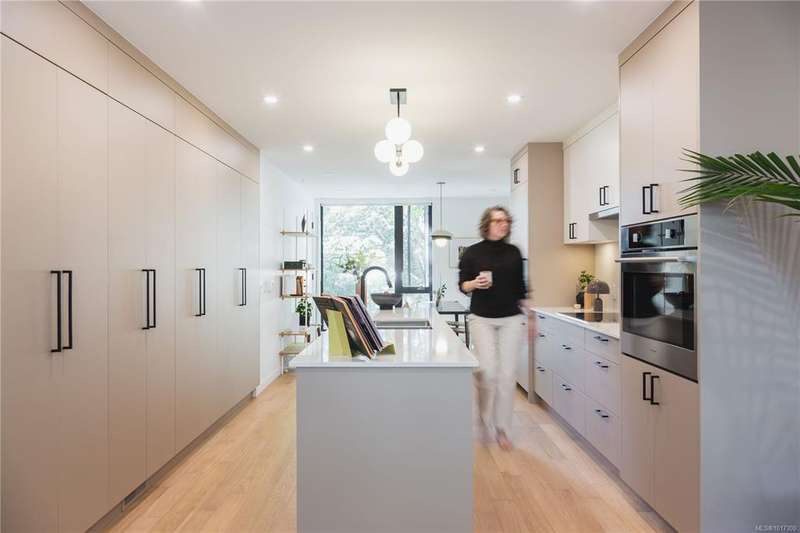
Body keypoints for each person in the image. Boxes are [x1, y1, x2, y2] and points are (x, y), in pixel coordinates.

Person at [458, 206, 531, 450]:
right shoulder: (472, 253)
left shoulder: (514, 252)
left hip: (511, 318)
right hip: (482, 318)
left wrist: (531, 317)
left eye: (506, 220)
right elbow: (462, 285)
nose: (504, 224)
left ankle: (502, 429)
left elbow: (521, 288)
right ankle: (483, 416)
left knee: (507, 375)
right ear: (486, 224)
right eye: (498, 220)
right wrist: (474, 283)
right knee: (487, 372)